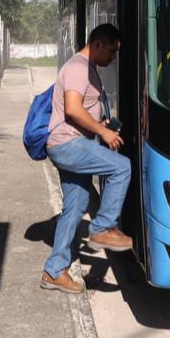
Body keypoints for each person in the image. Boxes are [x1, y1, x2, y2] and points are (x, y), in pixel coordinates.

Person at [41, 23, 133, 294]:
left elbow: (83, 111)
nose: (113, 57)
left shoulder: (87, 67)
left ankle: (54, 271)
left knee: (76, 205)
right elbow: (72, 109)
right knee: (122, 167)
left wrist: (101, 121)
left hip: (70, 143)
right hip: (68, 144)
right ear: (98, 44)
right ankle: (103, 227)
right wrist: (103, 131)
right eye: (113, 51)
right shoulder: (78, 68)